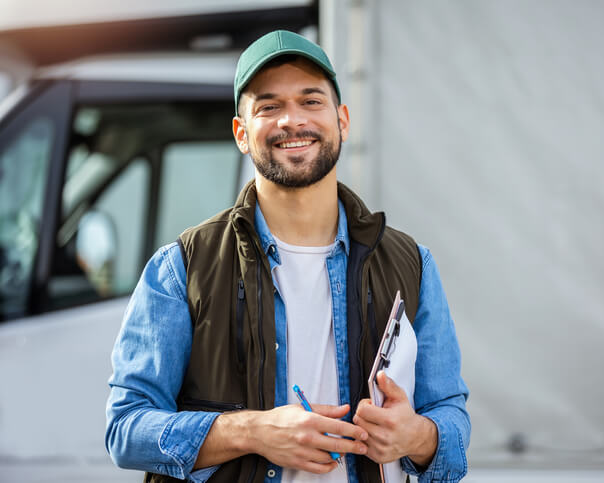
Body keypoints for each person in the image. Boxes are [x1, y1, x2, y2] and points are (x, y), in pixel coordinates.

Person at [105, 30, 469, 483]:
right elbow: (126, 429)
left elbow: (451, 423)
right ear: (242, 133)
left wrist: (415, 437)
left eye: (311, 101)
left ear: (343, 121)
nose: (291, 121)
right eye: (269, 106)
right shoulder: (181, 267)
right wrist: (254, 431)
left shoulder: (412, 263)